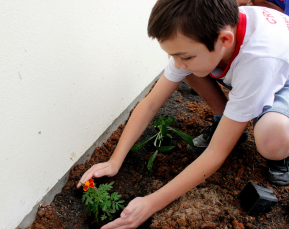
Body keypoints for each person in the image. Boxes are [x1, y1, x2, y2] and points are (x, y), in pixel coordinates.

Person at [77, 1, 289, 228]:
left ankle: (281, 155)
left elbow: (217, 152)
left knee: (272, 137)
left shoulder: (258, 60)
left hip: (280, 78)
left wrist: (151, 203)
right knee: (188, 71)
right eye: (173, 55)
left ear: (225, 40)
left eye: (184, 56)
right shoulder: (205, 32)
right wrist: (114, 160)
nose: (176, 62)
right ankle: (224, 119)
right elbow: (150, 104)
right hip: (250, 71)